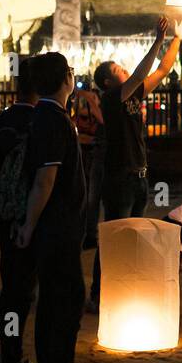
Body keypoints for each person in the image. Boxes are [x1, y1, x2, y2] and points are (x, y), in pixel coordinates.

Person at [89, 15, 182, 314]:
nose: (124, 69)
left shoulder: (132, 95)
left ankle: (123, 291)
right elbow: (140, 72)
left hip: (138, 178)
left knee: (132, 235)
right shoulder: (111, 98)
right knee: (114, 236)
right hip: (120, 178)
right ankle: (98, 295)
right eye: (117, 69)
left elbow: (162, 69)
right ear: (108, 81)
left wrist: (177, 38)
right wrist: (159, 40)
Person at [14, 52, 101, 363]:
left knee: (52, 300)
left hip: (55, 227)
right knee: (66, 301)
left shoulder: (49, 116)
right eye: (70, 71)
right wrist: (30, 227)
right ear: (65, 78)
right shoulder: (53, 119)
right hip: (57, 228)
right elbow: (44, 180)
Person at [0, 57, 39, 363]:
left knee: (11, 287)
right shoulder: (42, 121)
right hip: (30, 215)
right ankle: (13, 353)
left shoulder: (3, 119)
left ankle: (9, 348)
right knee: (24, 292)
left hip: (6, 212)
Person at [71, 83, 105, 251]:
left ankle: (93, 234)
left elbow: (101, 120)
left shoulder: (102, 112)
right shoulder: (83, 114)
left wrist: (90, 100)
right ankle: (89, 234)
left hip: (98, 156)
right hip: (85, 156)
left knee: (94, 198)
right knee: (89, 198)